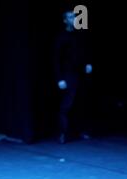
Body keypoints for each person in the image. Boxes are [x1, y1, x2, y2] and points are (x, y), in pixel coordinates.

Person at [54, 11, 93, 144]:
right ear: (65, 20)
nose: (74, 19)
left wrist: (87, 63)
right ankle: (63, 133)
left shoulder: (80, 35)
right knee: (67, 105)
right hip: (68, 75)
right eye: (71, 17)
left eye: (75, 17)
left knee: (82, 103)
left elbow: (84, 51)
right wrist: (60, 78)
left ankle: (81, 130)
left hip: (80, 74)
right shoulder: (62, 37)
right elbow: (56, 59)